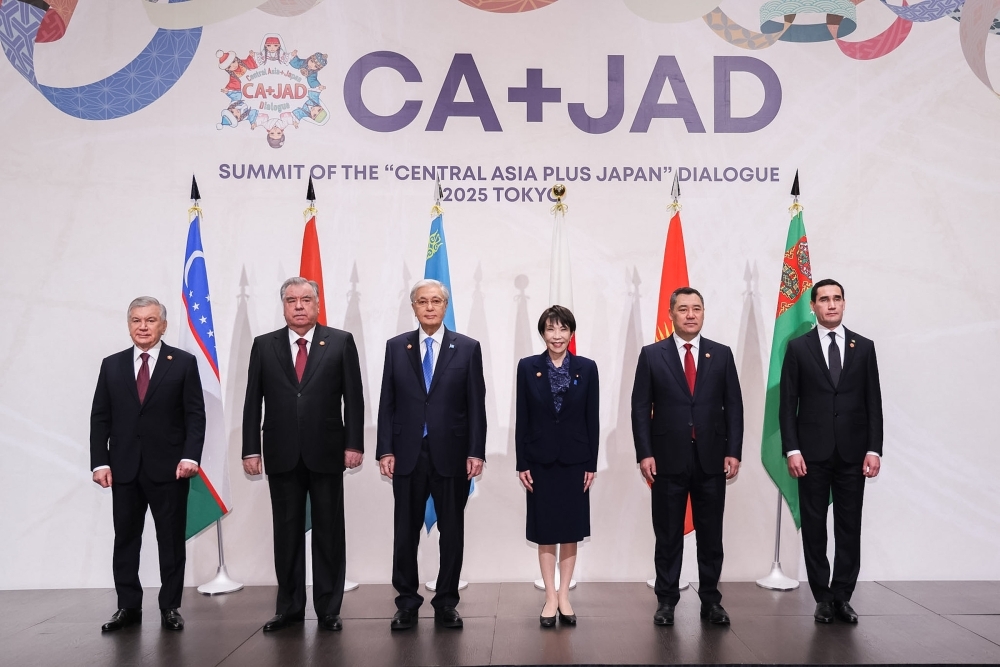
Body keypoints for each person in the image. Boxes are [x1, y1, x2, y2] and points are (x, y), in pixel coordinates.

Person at [242, 277, 364, 632]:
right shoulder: (264, 346)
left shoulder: (340, 342)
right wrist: (251, 448)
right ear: (283, 305)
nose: (298, 306)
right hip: (280, 454)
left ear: (317, 303)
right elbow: (253, 402)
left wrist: (353, 444)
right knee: (287, 532)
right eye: (291, 300)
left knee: (329, 532)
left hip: (326, 452)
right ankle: (290, 608)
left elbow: (353, 399)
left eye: (306, 299)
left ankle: (328, 609)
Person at [376, 279, 487, 631]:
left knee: (451, 532)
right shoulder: (397, 347)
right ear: (413, 307)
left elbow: (475, 405)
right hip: (407, 453)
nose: (429, 307)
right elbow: (387, 404)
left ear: (445, 305)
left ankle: (446, 602)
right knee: (404, 532)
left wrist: (476, 451)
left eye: (436, 301)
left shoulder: (467, 348)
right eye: (422, 301)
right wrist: (385, 449)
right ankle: (407, 603)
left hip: (452, 454)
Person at [90, 297, 205, 632]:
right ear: (129, 325)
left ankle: (169, 606)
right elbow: (100, 418)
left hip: (170, 469)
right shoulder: (111, 365)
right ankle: (128, 606)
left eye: (150, 320)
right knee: (126, 538)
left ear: (163, 325)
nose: (143, 326)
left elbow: (195, 415)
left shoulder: (182, 363)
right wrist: (100, 462)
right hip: (123, 467)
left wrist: (190, 456)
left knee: (169, 540)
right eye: (136, 320)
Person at [631, 287, 743, 627]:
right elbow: (639, 408)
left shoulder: (721, 355)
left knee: (711, 535)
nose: (690, 314)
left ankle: (711, 601)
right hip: (666, 459)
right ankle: (666, 601)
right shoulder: (652, 355)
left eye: (696, 308)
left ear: (703, 313)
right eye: (683, 309)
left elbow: (734, 407)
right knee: (667, 535)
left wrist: (733, 451)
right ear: (671, 314)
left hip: (711, 459)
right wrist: (645, 453)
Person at [779, 278, 883, 624]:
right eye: (824, 299)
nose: (831, 304)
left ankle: (842, 596)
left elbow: (873, 403)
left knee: (848, 527)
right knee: (814, 527)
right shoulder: (798, 348)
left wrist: (874, 449)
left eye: (837, 298)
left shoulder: (864, 347)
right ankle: (822, 597)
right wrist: (792, 449)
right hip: (811, 454)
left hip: (854, 453)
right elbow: (787, 403)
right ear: (813, 306)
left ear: (844, 302)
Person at [515, 306, 599, 627]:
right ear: (543, 333)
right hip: (540, 461)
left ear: (571, 332)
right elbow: (523, 417)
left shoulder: (587, 368)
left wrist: (591, 462)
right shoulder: (528, 367)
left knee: (571, 530)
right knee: (545, 530)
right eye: (551, 329)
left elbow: (592, 418)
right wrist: (522, 462)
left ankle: (565, 595)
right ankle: (550, 596)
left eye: (563, 329)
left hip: (576, 462)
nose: (557, 336)